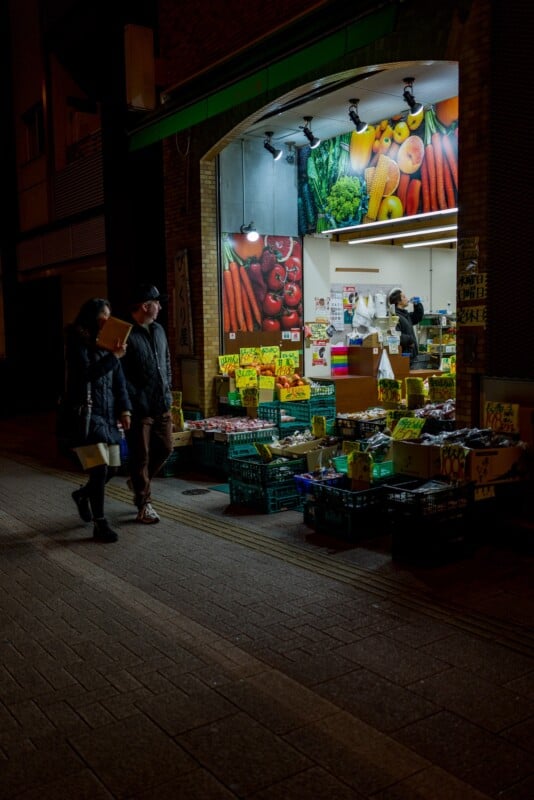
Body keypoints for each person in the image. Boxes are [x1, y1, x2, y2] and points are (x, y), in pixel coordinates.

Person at [64, 297, 132, 543]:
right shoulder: (77, 342)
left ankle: (82, 496)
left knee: (113, 468)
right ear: (92, 317)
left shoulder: (108, 344)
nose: (107, 320)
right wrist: (113, 357)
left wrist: (125, 410)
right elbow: (86, 375)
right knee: (99, 469)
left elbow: (118, 381)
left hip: (107, 413)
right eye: (104, 315)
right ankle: (100, 523)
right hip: (87, 415)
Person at [121, 284, 173, 524]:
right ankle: (144, 504)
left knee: (166, 448)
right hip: (139, 408)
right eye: (156, 302)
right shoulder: (125, 333)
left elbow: (167, 362)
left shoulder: (159, 330)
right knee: (141, 456)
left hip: (161, 403)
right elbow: (119, 373)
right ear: (145, 306)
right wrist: (132, 400)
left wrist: (168, 390)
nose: (160, 306)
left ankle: (138, 480)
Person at [388, 288, 424, 363]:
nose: (407, 298)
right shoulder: (394, 316)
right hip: (404, 356)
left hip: (412, 355)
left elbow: (417, 317)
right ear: (398, 301)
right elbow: (394, 334)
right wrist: (410, 340)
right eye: (404, 297)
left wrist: (417, 305)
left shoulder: (405, 315)